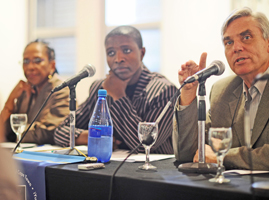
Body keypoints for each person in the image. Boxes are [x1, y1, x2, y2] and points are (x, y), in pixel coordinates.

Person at [173, 7, 269, 171]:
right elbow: (189, 154)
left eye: (246, 37)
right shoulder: (222, 91)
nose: (236, 47)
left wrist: (223, 157)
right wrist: (188, 92)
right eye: (229, 42)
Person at [54, 26, 178, 154]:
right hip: (107, 168)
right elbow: (60, 131)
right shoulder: (100, 87)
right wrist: (90, 136)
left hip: (151, 171)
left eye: (127, 50)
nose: (118, 59)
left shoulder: (163, 91)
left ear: (142, 53)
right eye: (111, 53)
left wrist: (118, 96)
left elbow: (145, 144)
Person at [0, 40, 70, 145]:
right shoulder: (24, 90)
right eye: (26, 61)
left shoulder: (61, 89)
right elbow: (3, 132)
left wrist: (15, 132)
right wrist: (10, 100)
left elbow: (49, 133)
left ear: (52, 65)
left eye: (37, 60)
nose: (30, 67)